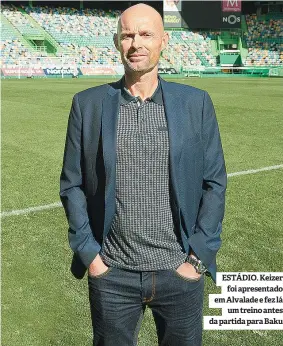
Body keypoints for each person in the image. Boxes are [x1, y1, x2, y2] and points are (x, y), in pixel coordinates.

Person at [60, 4, 227, 346]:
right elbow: (72, 185)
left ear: (163, 40)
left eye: (146, 34)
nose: (136, 43)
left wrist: (196, 259)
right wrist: (91, 255)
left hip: (179, 270)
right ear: (116, 41)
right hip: (112, 274)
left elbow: (214, 183)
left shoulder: (195, 103)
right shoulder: (87, 104)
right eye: (128, 35)